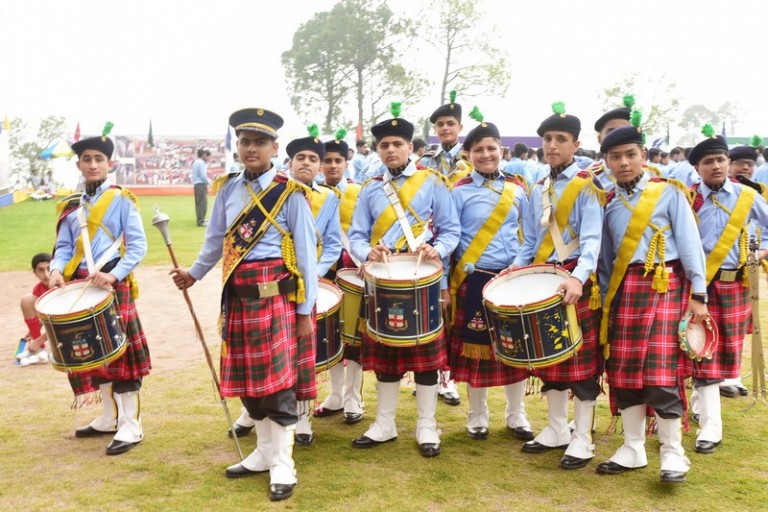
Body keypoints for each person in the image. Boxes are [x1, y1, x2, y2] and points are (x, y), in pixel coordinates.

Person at [170, 108, 317, 502]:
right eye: (245, 141)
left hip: (277, 300)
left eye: (260, 142)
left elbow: (306, 256)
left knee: (278, 386)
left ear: (275, 148)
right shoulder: (227, 188)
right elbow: (215, 240)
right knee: (250, 385)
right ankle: (264, 453)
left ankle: (283, 463)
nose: (252, 148)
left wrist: (306, 311)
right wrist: (194, 273)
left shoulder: (291, 193)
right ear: (237, 146)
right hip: (237, 298)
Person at [596, 120, 707, 484]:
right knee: (624, 371)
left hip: (665, 285)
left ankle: (673, 452)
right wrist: (605, 303)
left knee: (660, 372)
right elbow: (607, 259)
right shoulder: (608, 202)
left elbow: (690, 244)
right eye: (615, 157)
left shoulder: (669, 192)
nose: (623, 162)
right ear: (607, 161)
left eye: (630, 154)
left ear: (643, 155)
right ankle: (633, 448)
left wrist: (699, 294)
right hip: (625, 291)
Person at [348, 102, 460, 457]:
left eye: (398, 144)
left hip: (423, 279)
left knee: (426, 359)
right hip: (383, 280)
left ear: (411, 147)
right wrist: (368, 252)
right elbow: (356, 235)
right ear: (378, 150)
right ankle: (385, 423)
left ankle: (426, 425)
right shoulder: (370, 188)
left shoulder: (433, 181)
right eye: (384, 145)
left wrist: (436, 249)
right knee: (386, 356)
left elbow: (451, 230)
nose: (391, 150)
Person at [510, 102, 604, 471]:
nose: (552, 145)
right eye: (547, 138)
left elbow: (592, 241)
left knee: (580, 363)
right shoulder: (540, 187)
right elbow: (531, 240)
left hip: (574, 280)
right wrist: (515, 268)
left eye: (560, 139)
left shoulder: (587, 185)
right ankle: (556, 428)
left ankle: (583, 438)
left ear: (576, 145)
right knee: (550, 356)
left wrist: (578, 277)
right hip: (543, 278)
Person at [48, 131, 151, 456]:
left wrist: (113, 274)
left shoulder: (122, 199)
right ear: (79, 165)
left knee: (122, 358)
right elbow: (64, 247)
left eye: (99, 159)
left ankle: (131, 425)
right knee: (94, 354)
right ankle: (109, 418)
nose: (93, 165)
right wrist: (55, 270)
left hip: (111, 284)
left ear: (110, 164)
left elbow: (138, 246)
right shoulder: (70, 206)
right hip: (80, 286)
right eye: (87, 159)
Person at [449, 112, 534, 442]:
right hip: (475, 279)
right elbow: (450, 236)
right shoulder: (458, 191)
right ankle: (477, 415)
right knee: (476, 353)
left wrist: (521, 265)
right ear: (468, 154)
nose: (486, 155)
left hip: (511, 279)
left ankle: (516, 414)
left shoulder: (518, 188)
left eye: (491, 148)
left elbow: (530, 235)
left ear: (502, 150)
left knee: (518, 349)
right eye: (478, 150)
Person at [684, 132, 768, 454]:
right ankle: (711, 426)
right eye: (708, 162)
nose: (716, 166)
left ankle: (699, 403)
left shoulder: (747, 196)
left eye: (720, 159)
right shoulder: (688, 198)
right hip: (698, 287)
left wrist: (760, 252)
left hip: (734, 285)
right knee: (701, 349)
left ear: (728, 162)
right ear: (697, 168)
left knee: (726, 351)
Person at [286, 127, 342, 446]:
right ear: (290, 163)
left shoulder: (329, 198)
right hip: (278, 282)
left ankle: (303, 416)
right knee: (274, 351)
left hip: (309, 283)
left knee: (305, 352)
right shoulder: (275, 192)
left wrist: (315, 274)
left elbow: (332, 244)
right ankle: (254, 412)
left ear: (320, 166)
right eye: (300, 157)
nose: (306, 162)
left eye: (312, 158)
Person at [314, 130, 366, 425]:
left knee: (353, 336)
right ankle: (335, 394)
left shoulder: (359, 192)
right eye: (327, 160)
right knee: (329, 334)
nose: (332, 165)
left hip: (352, 270)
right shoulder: (311, 194)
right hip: (323, 272)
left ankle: (353, 398)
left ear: (347, 163)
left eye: (338, 160)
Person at [418, 91, 466, 405]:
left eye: (450, 123)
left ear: (459, 126)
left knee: (454, 313)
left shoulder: (472, 159)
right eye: (440, 125)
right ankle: (429, 374)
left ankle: (448, 379)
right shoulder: (425, 162)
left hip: (465, 246)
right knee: (432, 311)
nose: (445, 129)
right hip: (430, 245)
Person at [15, 253, 52, 366]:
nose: (46, 275)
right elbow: (41, 317)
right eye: (41, 270)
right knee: (27, 300)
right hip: (51, 324)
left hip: (69, 329)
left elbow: (64, 321)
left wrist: (40, 340)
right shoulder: (38, 289)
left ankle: (38, 345)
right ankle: (40, 351)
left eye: (49, 268)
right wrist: (32, 331)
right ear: (35, 273)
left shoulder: (62, 285)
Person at [192, 149, 211, 226]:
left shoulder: (195, 162)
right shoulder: (202, 163)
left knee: (199, 203)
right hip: (201, 184)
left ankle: (201, 219)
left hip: (197, 184)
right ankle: (201, 221)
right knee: (202, 203)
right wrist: (211, 183)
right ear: (204, 155)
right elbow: (203, 176)